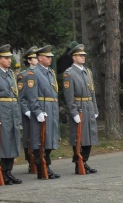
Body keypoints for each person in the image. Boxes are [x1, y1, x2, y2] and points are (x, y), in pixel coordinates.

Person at [24, 45, 61, 179]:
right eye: (47, 57)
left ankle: (47, 165)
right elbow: (31, 95)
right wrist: (37, 111)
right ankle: (41, 168)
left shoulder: (50, 72)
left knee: (49, 139)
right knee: (39, 140)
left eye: (50, 57)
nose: (50, 59)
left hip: (51, 108)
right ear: (39, 58)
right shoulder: (33, 73)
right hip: (41, 109)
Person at [63, 44, 99, 175]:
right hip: (79, 107)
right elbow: (69, 96)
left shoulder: (88, 72)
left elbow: (92, 92)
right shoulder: (69, 73)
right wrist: (73, 112)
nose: (83, 57)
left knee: (90, 136)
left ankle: (84, 161)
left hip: (88, 106)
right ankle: (79, 162)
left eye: (84, 55)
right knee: (79, 137)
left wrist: (95, 108)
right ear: (74, 57)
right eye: (80, 55)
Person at [0, 45, 23, 185]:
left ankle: (8, 171)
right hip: (1, 112)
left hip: (12, 111)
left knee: (12, 141)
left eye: (9, 57)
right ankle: (1, 172)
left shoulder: (11, 74)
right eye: (5, 58)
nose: (9, 60)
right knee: (3, 143)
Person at [17, 47, 38, 174]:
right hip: (30, 112)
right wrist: (26, 111)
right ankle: (31, 162)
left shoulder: (42, 73)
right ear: (29, 60)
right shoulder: (23, 76)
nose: (36, 59)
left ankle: (40, 160)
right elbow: (21, 97)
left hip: (39, 110)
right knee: (29, 138)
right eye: (34, 57)